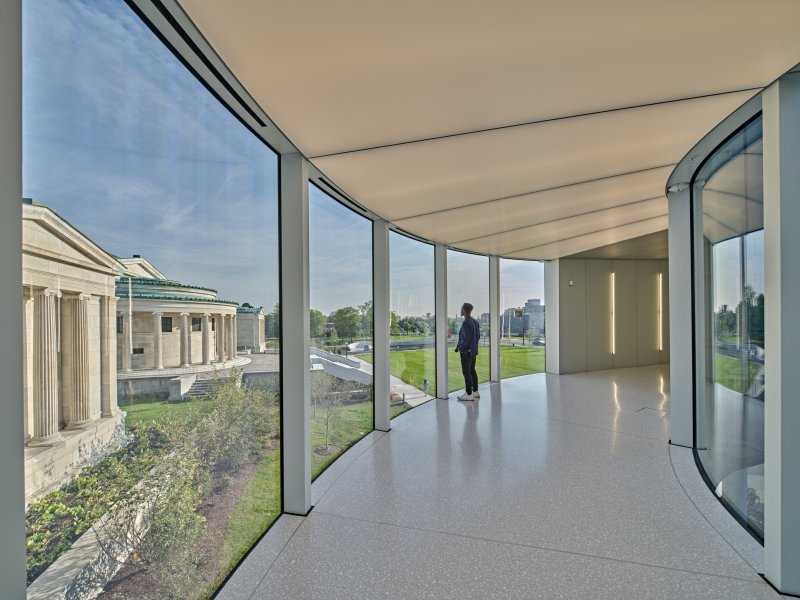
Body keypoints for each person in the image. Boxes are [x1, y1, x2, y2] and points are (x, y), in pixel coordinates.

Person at [454, 302, 480, 401]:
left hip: (466, 352)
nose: (460, 310)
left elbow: (465, 339)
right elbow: (477, 337)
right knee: (472, 371)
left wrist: (461, 348)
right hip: (473, 352)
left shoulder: (466, 322)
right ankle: (475, 392)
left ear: (464, 310)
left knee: (466, 372)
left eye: (461, 308)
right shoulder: (475, 322)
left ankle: (468, 394)